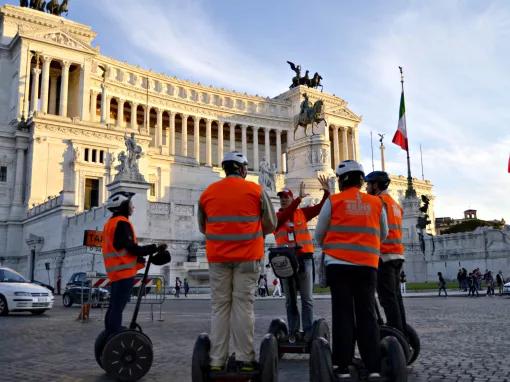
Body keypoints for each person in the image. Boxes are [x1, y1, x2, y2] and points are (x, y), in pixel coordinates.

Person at [198, 151, 277, 372]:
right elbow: (271, 223)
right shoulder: (256, 190)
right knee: (243, 306)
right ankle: (245, 359)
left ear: (225, 169)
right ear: (242, 170)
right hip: (248, 257)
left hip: (218, 257)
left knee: (220, 307)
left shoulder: (208, 193)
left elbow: (202, 227)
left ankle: (216, 360)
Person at [315, 160, 388, 378]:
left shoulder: (334, 201)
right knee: (367, 314)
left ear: (343, 180)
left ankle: (342, 365)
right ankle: (373, 366)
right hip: (367, 265)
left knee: (343, 314)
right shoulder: (376, 203)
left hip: (338, 265)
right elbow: (382, 234)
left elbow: (319, 234)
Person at [274, 174, 330, 342]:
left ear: (290, 198)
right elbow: (285, 215)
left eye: (286, 197)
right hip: (285, 262)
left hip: (304, 259)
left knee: (307, 299)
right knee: (290, 300)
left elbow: (320, 208)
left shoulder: (302, 214)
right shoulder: (277, 217)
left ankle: (307, 331)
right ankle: (293, 331)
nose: (284, 200)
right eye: (282, 198)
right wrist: (297, 199)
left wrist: (327, 193)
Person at [101, 191, 165, 337]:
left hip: (115, 272)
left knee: (114, 306)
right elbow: (131, 248)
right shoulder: (122, 223)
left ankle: (110, 332)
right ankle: (114, 334)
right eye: (130, 204)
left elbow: (121, 247)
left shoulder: (110, 224)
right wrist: (153, 247)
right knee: (117, 307)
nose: (132, 207)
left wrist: (140, 259)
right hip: (124, 272)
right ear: (122, 206)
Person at [365, 171, 407, 334]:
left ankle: (395, 332)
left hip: (384, 254)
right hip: (397, 254)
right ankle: (401, 329)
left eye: (369, 184)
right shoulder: (395, 204)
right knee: (396, 297)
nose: (367, 187)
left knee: (387, 298)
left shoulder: (378, 202)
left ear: (376, 185)